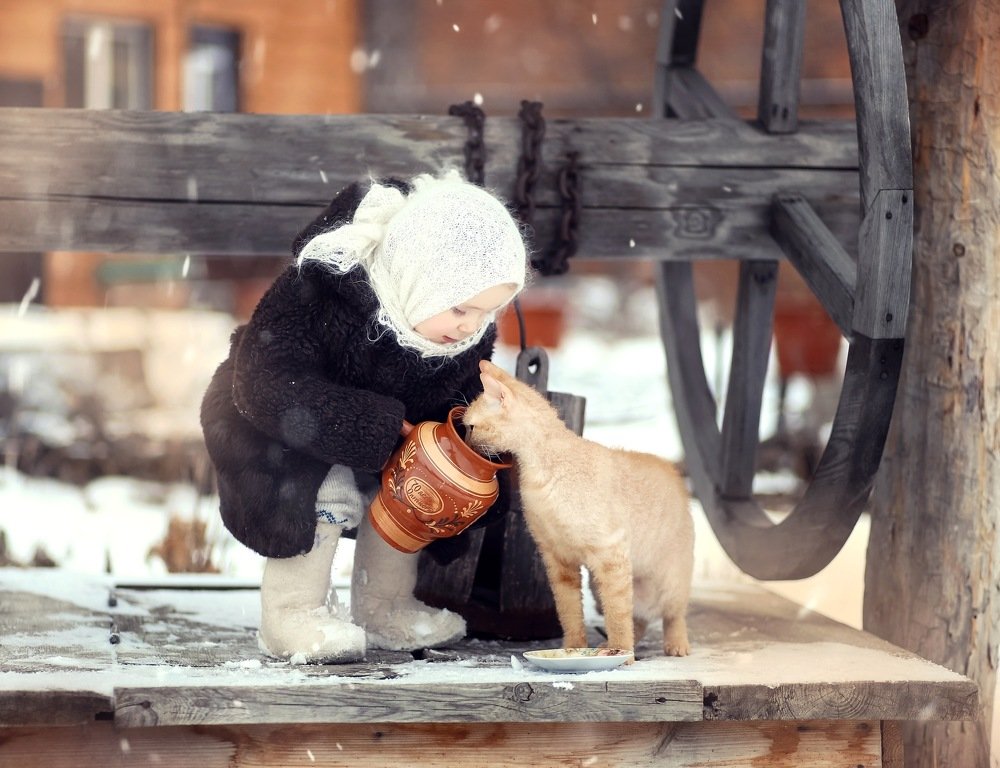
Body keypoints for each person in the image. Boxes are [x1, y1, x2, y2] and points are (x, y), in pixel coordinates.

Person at [200, 170, 527, 663]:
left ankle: (383, 606)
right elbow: (266, 382)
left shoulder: (459, 335)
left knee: (416, 484)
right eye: (461, 308)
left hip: (375, 437)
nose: (470, 326)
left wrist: (463, 452)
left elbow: (457, 399)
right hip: (278, 425)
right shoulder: (322, 290)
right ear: (420, 275)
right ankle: (292, 613)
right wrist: (374, 426)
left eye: (486, 313)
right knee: (322, 489)